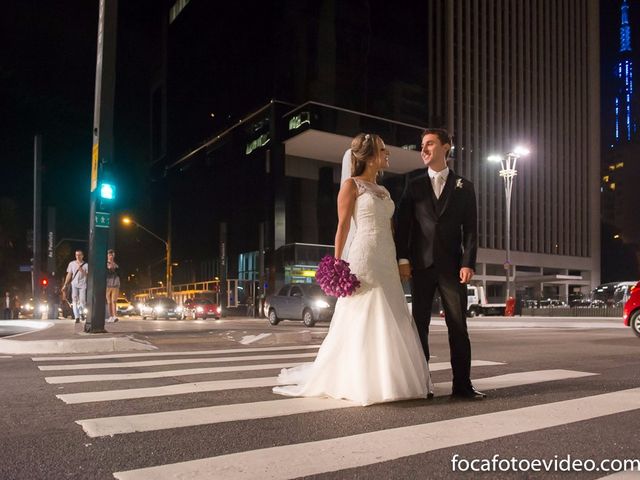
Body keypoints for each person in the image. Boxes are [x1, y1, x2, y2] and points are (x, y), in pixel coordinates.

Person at [273, 133, 432, 406]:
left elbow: (391, 228)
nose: (388, 154)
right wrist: (337, 264)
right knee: (365, 312)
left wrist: (398, 259)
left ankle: (391, 378)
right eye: (383, 150)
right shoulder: (351, 186)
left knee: (392, 312)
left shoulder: (384, 190)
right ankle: (361, 380)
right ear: (370, 156)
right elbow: (343, 227)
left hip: (386, 255)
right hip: (365, 255)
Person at [395, 128, 485, 400]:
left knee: (458, 326)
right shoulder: (414, 186)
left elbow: (471, 230)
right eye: (422, 144)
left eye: (430, 143)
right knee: (418, 325)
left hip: (452, 267)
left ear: (447, 147)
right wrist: (403, 259)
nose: (424, 149)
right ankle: (422, 384)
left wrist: (468, 262)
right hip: (419, 267)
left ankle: (463, 386)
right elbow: (403, 227)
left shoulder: (464, 187)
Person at [62, 249, 88, 324]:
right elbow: (69, 274)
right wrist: (65, 284)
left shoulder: (86, 265)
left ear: (82, 256)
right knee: (75, 301)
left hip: (83, 285)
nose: (78, 256)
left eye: (79, 255)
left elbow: (88, 275)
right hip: (74, 284)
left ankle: (81, 312)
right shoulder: (72, 264)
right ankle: (77, 317)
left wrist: (82, 271)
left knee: (82, 301)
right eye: (76, 255)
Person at [106, 249, 120, 323]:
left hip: (115, 284)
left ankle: (115, 316)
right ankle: (110, 316)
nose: (111, 256)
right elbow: (106, 272)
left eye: (112, 255)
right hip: (108, 285)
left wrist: (114, 268)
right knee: (109, 302)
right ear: (107, 256)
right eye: (109, 255)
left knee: (114, 301)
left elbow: (119, 273)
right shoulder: (105, 264)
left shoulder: (116, 264)